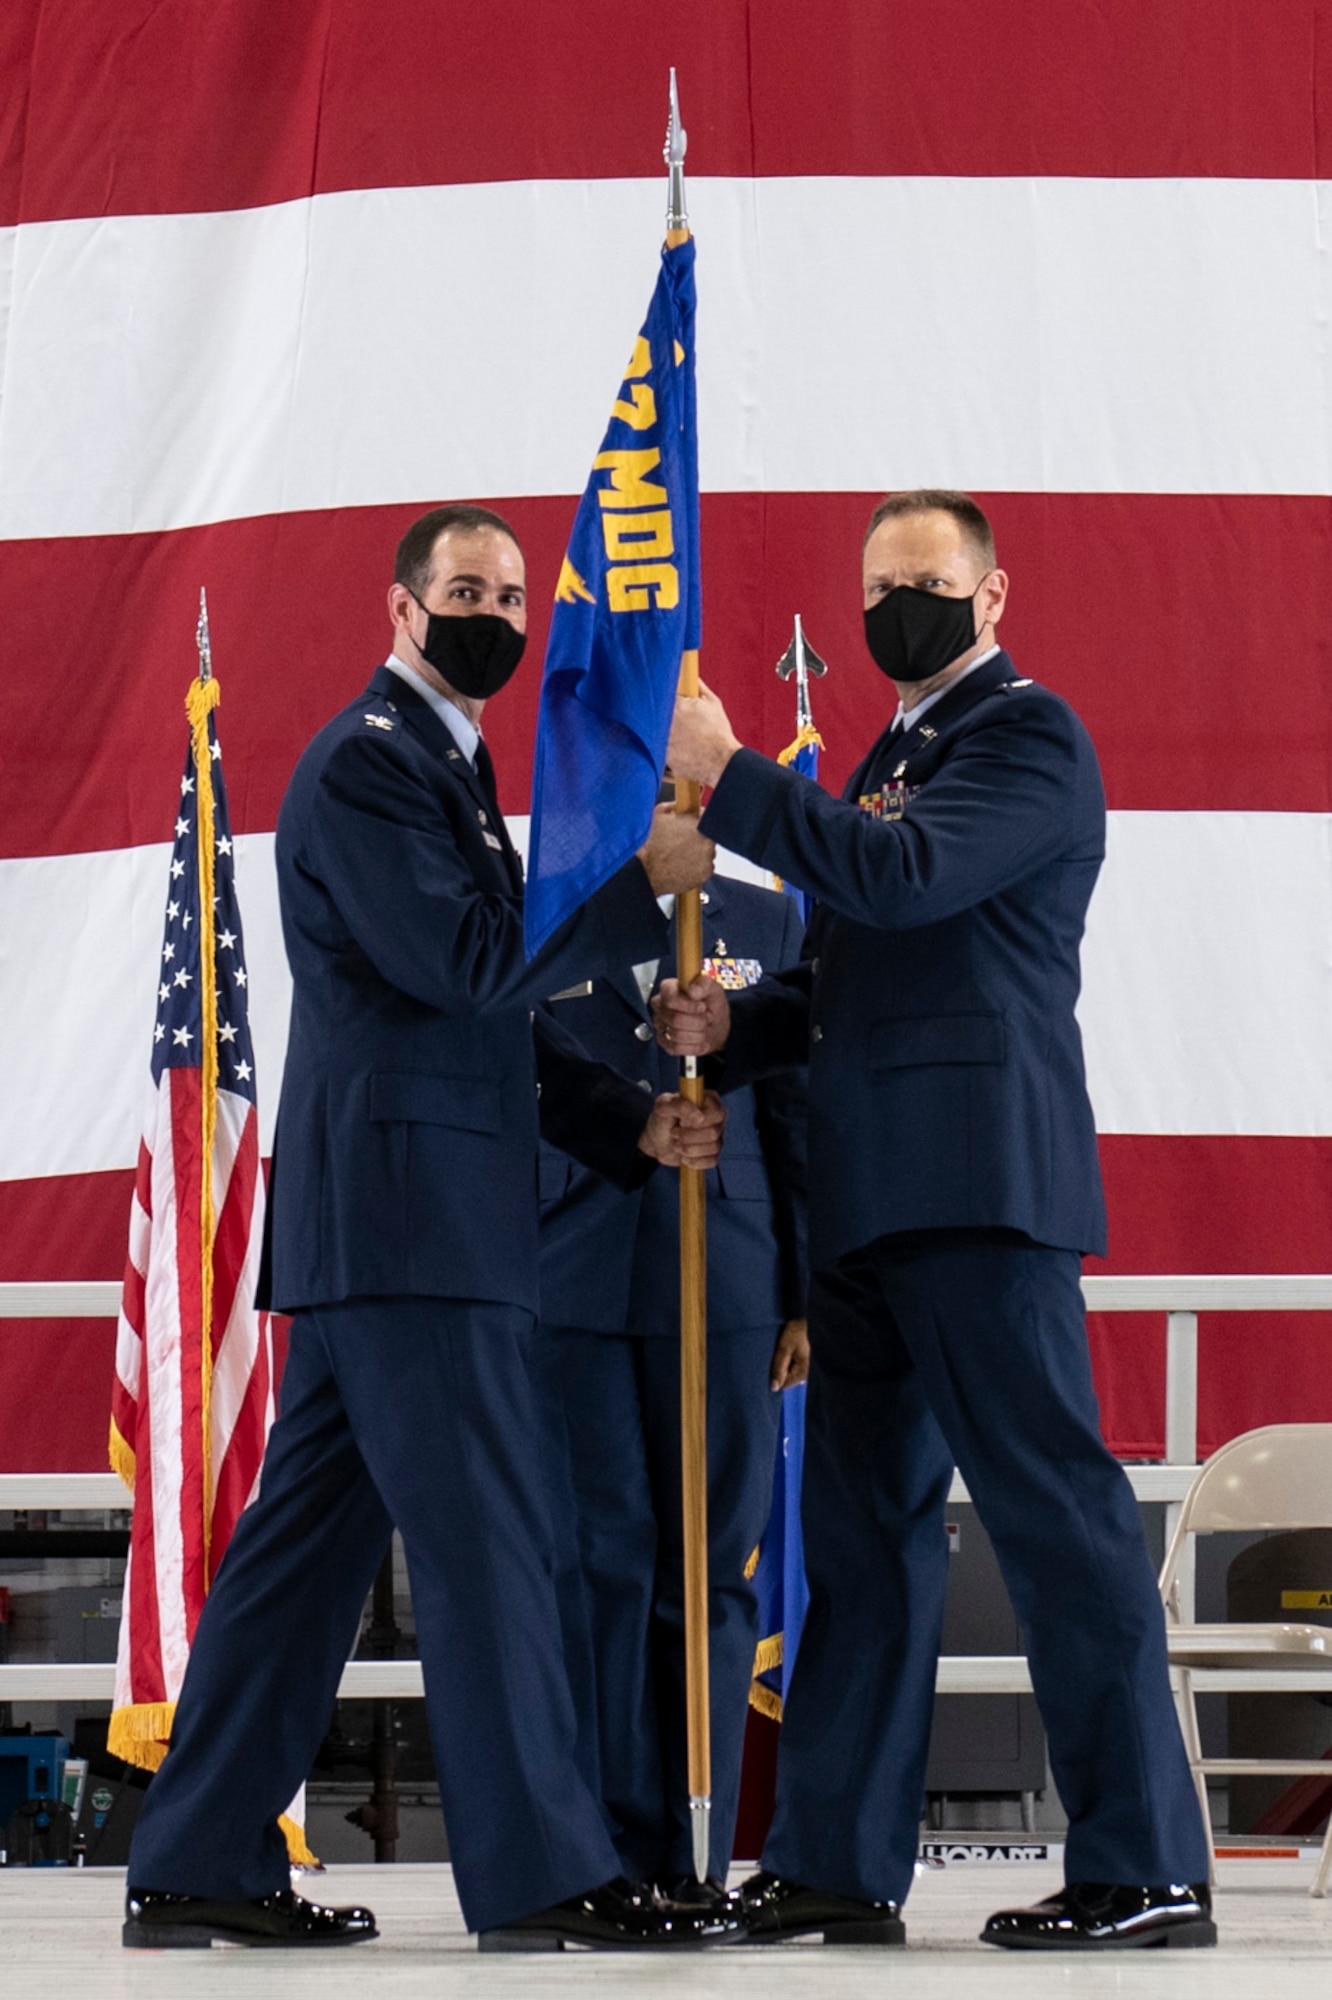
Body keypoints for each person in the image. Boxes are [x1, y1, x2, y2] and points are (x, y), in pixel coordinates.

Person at [122, 503, 738, 1953]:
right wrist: (632, 882)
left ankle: (200, 1856)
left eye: (516, 596)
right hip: (411, 1230)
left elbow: (481, 1032)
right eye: (468, 589)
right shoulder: (369, 767)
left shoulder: (450, 776)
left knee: (305, 1559)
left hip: (398, 1225)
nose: (499, 615)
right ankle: (543, 1877)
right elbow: (469, 968)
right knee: (496, 1542)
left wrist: (620, 1123)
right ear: (402, 611)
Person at [655, 490, 1215, 1953]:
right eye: (880, 587)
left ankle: (1144, 1866)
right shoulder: (894, 751)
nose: (899, 608)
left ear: (993, 594)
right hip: (867, 1206)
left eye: (927, 582)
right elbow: (861, 987)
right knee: (863, 1542)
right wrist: (746, 1016)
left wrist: (729, 784)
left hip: (976, 1187)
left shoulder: (1028, 738)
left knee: (1057, 1524)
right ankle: (838, 1859)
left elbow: (905, 882)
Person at [535, 865, 809, 1906]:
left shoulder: (762, 914)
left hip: (730, 1267)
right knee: (601, 1559)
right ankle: (609, 1850)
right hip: (578, 1262)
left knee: (711, 1565)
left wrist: (804, 1287)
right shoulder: (545, 899)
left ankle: (697, 1846)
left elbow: (793, 1098)